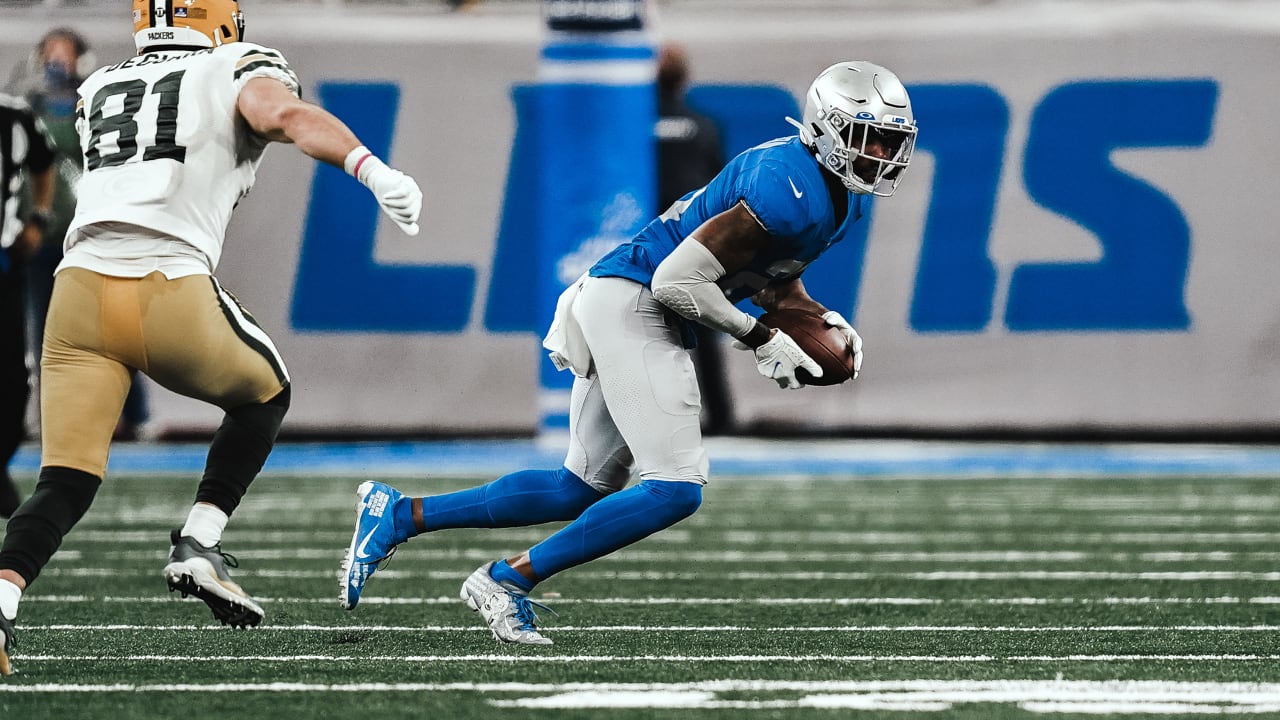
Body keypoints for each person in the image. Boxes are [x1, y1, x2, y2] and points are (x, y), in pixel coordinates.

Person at [340, 61, 916, 645]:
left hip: (631, 299)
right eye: (871, 138)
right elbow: (676, 281)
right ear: (825, 129)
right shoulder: (785, 185)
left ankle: (399, 514)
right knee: (674, 488)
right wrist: (762, 337)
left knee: (578, 488)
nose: (883, 154)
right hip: (636, 299)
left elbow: (773, 276)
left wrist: (815, 316)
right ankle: (505, 579)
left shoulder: (837, 197)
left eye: (892, 142)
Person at [0, 0, 423, 676]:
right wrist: (370, 167)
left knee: (66, 479)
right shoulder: (233, 64)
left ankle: (2, 598)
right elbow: (282, 115)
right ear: (220, 19)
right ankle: (198, 541)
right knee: (266, 391)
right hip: (165, 285)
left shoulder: (99, 84)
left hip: (75, 293)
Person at [6, 29, 154, 443]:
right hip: (39, 234)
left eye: (64, 53)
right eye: (50, 53)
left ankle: (135, 413)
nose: (56, 61)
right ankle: (53, 418)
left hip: (87, 231)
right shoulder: (27, 108)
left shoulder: (94, 105)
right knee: (41, 333)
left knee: (112, 326)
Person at [653, 43, 732, 434]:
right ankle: (721, 417)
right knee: (705, 330)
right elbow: (721, 188)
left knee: (646, 333)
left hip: (652, 241)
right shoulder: (704, 124)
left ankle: (659, 418)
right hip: (698, 240)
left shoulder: (631, 128)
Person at [0, 94, 57, 524]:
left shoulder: (14, 115)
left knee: (14, 381)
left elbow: (44, 163)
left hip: (2, 265)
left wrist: (38, 217)